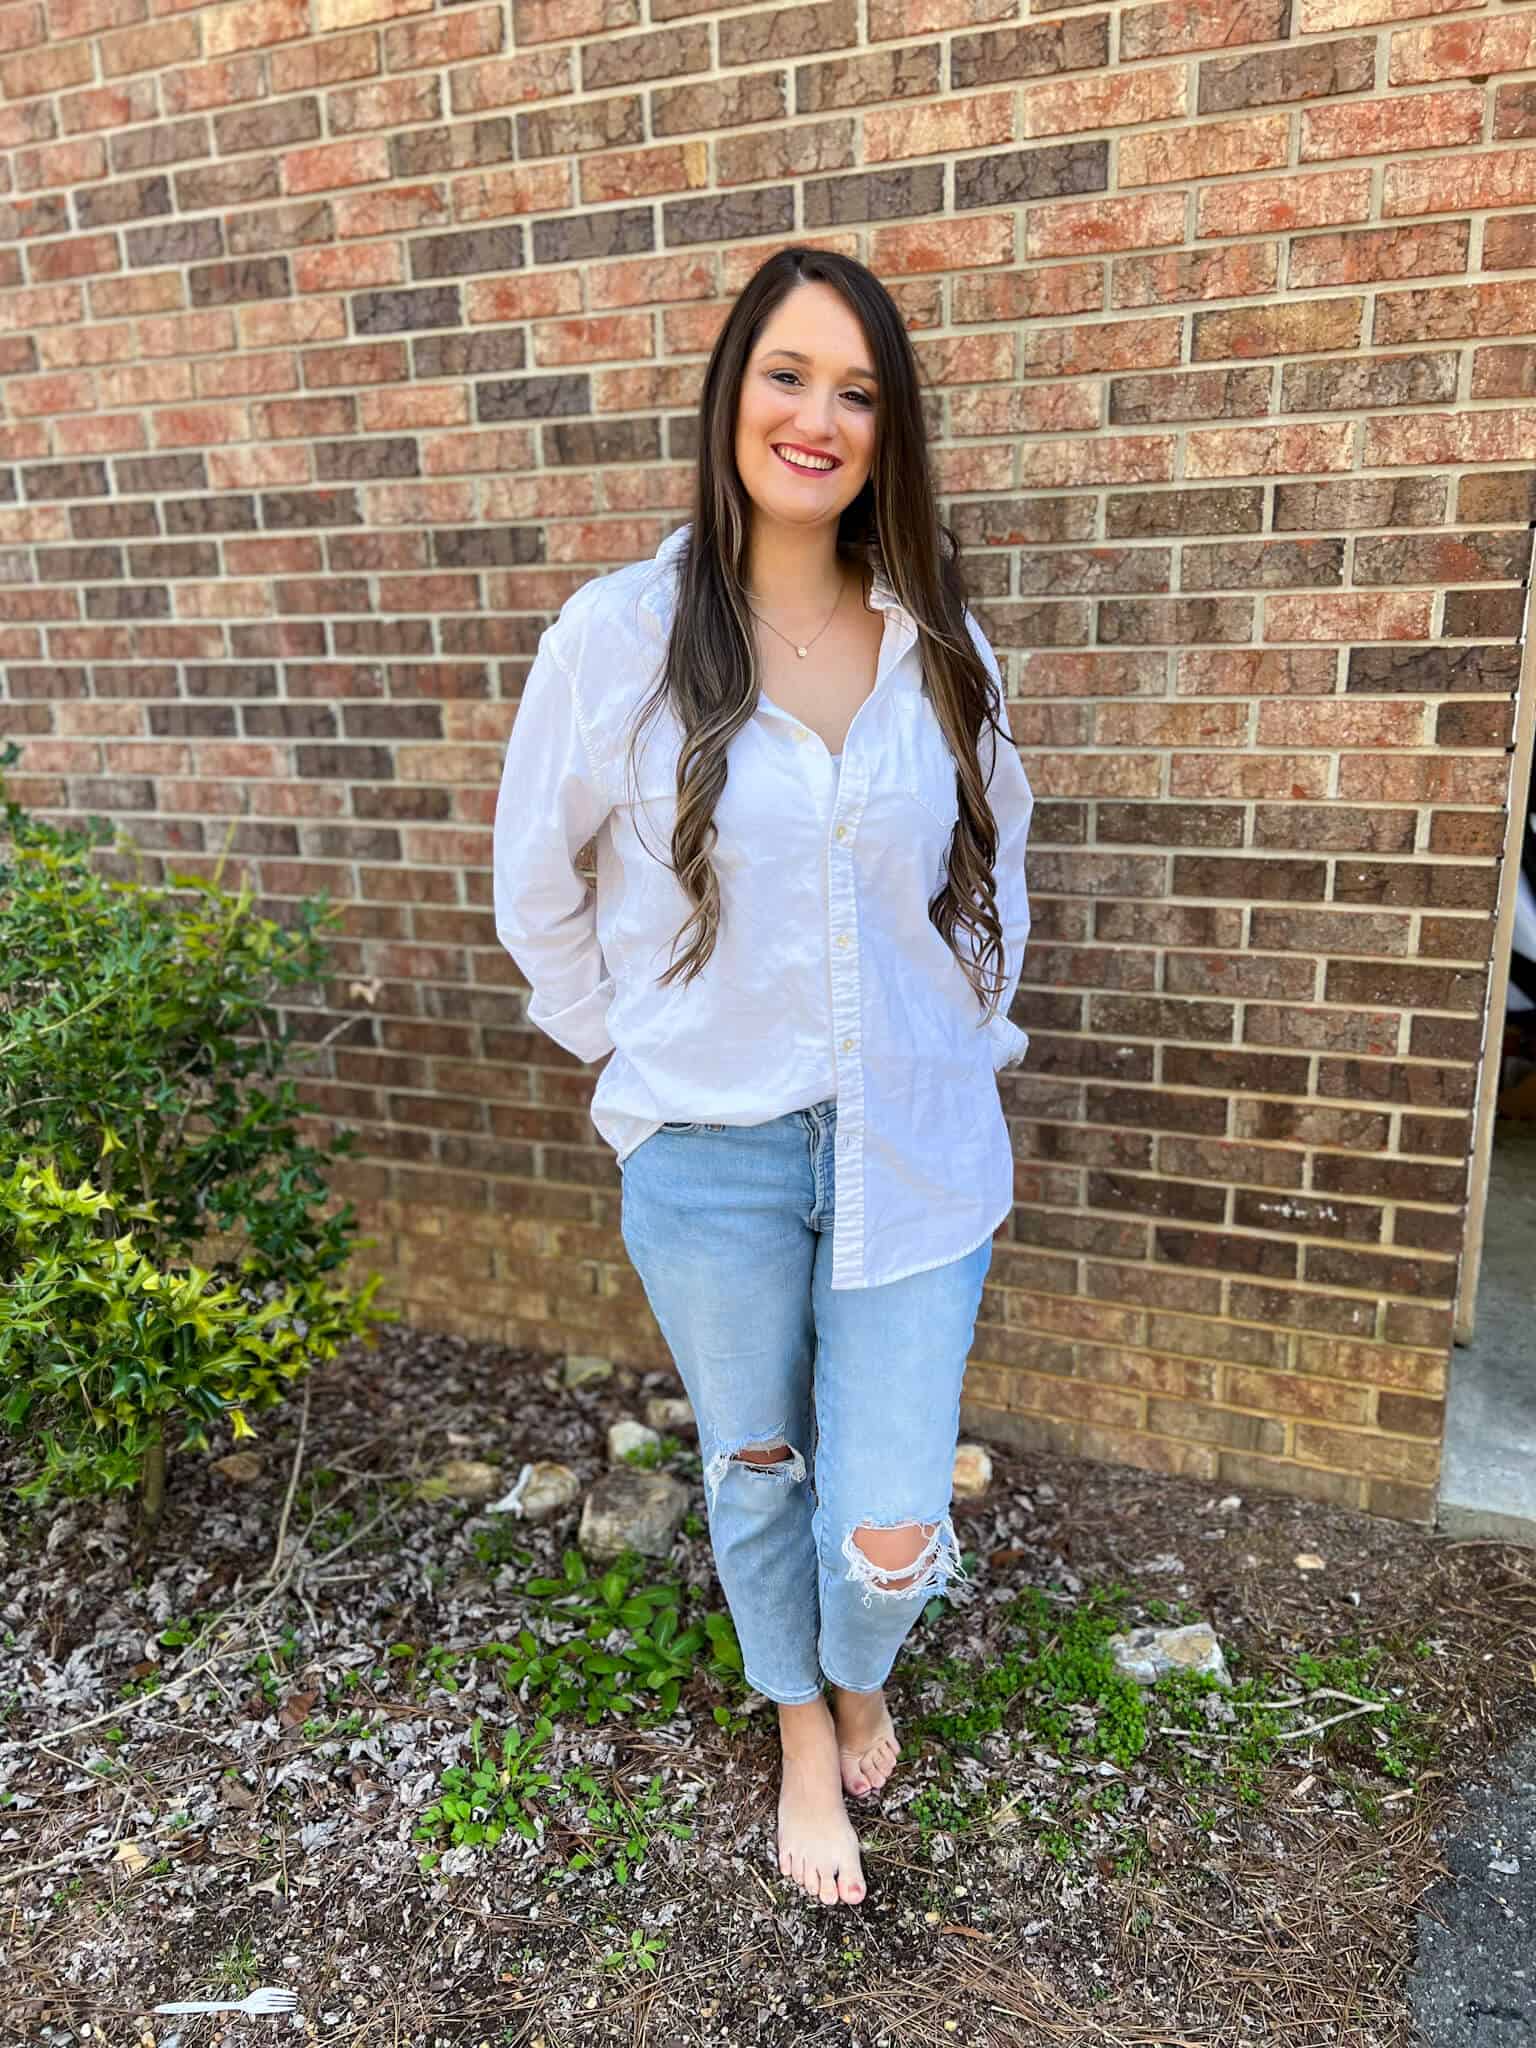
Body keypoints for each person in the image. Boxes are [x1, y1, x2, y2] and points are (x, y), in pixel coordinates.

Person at [492, 245, 1034, 1910]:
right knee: (752, 1466)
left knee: (884, 1524)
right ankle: (806, 1724)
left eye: (858, 391)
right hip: (709, 1157)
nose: (818, 417)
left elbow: (999, 876)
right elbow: (537, 886)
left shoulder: (941, 646)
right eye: (788, 375)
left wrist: (974, 1035)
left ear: (892, 431)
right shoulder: (620, 639)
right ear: (732, 390)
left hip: (916, 1149)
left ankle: (858, 1653)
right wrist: (634, 1059)